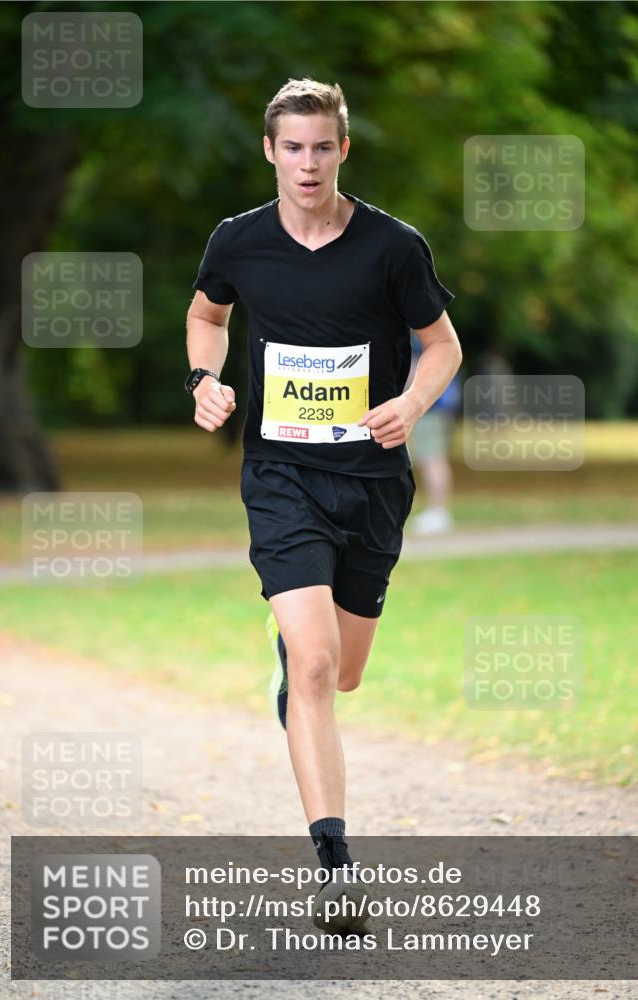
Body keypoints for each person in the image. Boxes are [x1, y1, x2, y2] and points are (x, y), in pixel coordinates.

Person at [185, 77, 462, 934]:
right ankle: (336, 870)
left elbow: (440, 346)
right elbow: (206, 317)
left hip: (373, 483)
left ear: (344, 149)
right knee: (313, 666)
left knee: (341, 672)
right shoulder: (238, 241)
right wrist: (202, 380)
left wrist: (409, 404)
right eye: (292, 148)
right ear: (270, 152)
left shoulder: (392, 247)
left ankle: (295, 654)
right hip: (281, 476)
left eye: (322, 147)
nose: (307, 163)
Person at [406, 331, 461, 535]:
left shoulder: (417, 338)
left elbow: (414, 369)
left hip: (429, 409)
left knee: (432, 459)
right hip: (433, 407)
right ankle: (437, 511)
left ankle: (438, 512)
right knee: (431, 459)